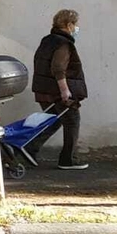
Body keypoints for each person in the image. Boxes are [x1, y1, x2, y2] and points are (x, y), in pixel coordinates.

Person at [25, 9, 88, 170]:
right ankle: (68, 159)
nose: (77, 28)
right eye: (75, 24)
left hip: (43, 90)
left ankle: (27, 149)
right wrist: (65, 90)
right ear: (68, 25)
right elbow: (58, 68)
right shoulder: (63, 44)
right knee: (72, 120)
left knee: (52, 121)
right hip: (56, 92)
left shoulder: (47, 40)